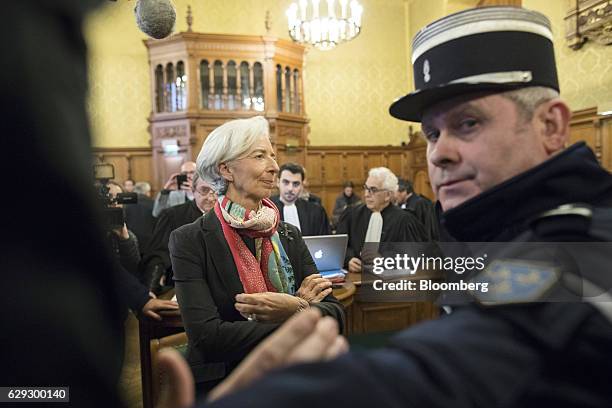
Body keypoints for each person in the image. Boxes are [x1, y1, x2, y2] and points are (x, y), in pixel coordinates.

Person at [159, 7, 612, 408]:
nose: (438, 154)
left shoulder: (588, 237)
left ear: (552, 125)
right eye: (432, 134)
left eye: (468, 123)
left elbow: (453, 364)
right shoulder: (487, 230)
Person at [169, 116, 344, 395]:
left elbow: (336, 313)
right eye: (260, 156)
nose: (274, 167)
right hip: (227, 384)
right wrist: (301, 310)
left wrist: (295, 309)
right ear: (225, 169)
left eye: (272, 156)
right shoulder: (189, 240)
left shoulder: (288, 234)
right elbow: (208, 338)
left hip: (298, 377)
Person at [337, 167, 427, 273]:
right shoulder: (352, 214)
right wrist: (349, 260)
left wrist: (383, 261)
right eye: (366, 188)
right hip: (355, 279)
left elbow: (415, 258)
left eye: (373, 190)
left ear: (388, 195)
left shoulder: (405, 220)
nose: (366, 194)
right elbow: (339, 246)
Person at [141, 173, 216, 294]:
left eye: (216, 191)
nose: (212, 198)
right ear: (193, 191)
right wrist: (151, 289)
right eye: (204, 190)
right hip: (183, 286)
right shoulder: (172, 215)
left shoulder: (231, 216)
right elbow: (157, 254)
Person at [270, 162, 331, 236]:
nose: (290, 188)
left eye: (296, 184)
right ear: (278, 182)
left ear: (302, 185)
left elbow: (325, 242)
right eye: (286, 182)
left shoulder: (316, 212)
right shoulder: (267, 209)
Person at [125, 181, 156, 254]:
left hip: (131, 239)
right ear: (147, 192)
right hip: (149, 242)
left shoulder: (126, 203)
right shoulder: (154, 203)